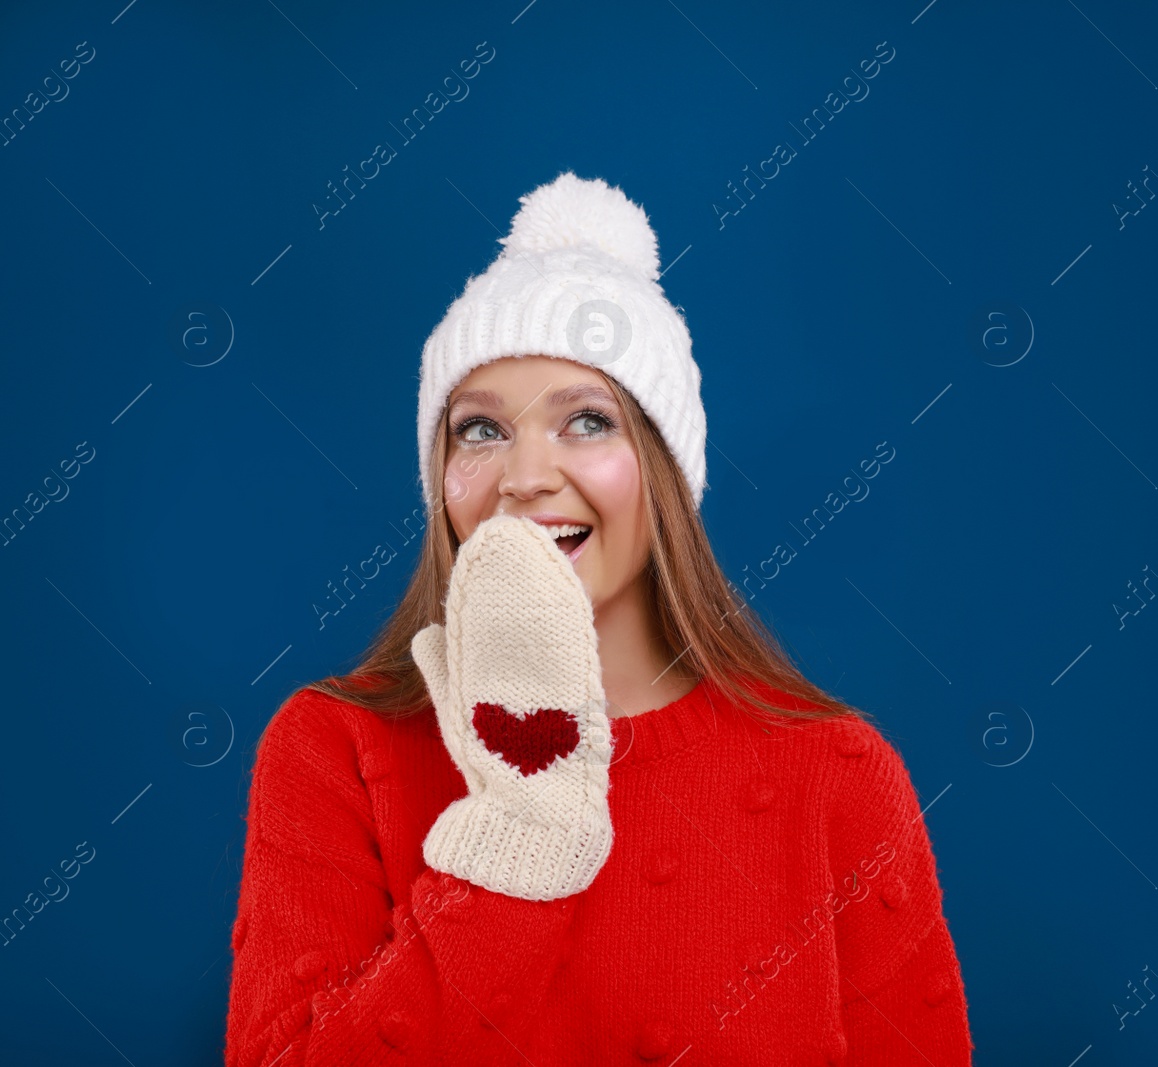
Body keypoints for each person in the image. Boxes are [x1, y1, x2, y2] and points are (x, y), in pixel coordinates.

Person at [223, 171, 973, 1065]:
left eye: (586, 420)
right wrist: (523, 825)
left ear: (662, 472)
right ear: (442, 481)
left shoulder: (838, 775)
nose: (526, 475)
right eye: (480, 429)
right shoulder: (332, 749)